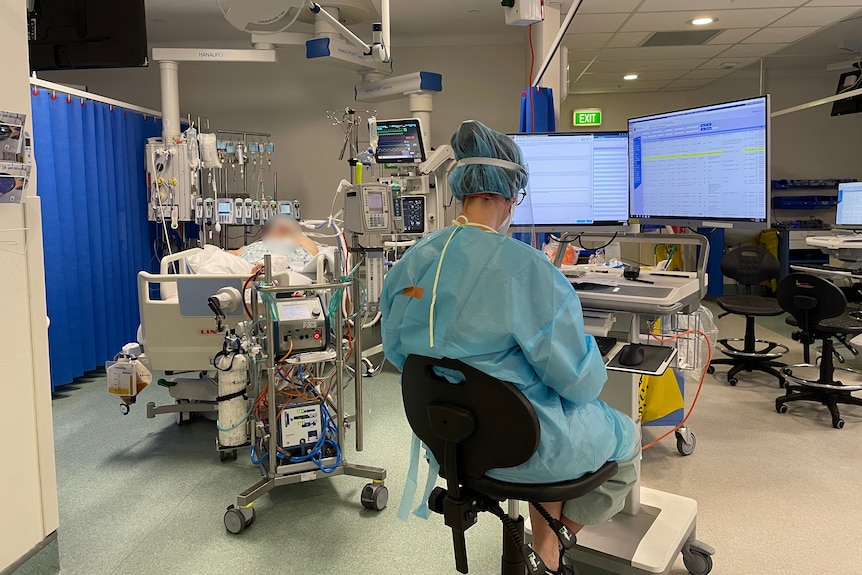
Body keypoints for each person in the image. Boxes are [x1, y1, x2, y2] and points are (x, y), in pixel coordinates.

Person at [380, 120, 640, 573]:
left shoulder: (415, 259)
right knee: (627, 438)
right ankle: (553, 548)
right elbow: (577, 382)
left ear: (463, 188)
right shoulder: (528, 269)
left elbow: (400, 353)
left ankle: (542, 547)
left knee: (548, 416)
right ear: (508, 195)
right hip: (527, 447)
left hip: (450, 442)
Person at [229, 214, 319, 266]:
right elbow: (234, 254)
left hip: (284, 268)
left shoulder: (296, 242)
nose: (278, 228)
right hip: (250, 268)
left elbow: (314, 256)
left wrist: (293, 235)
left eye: (283, 229)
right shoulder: (255, 245)